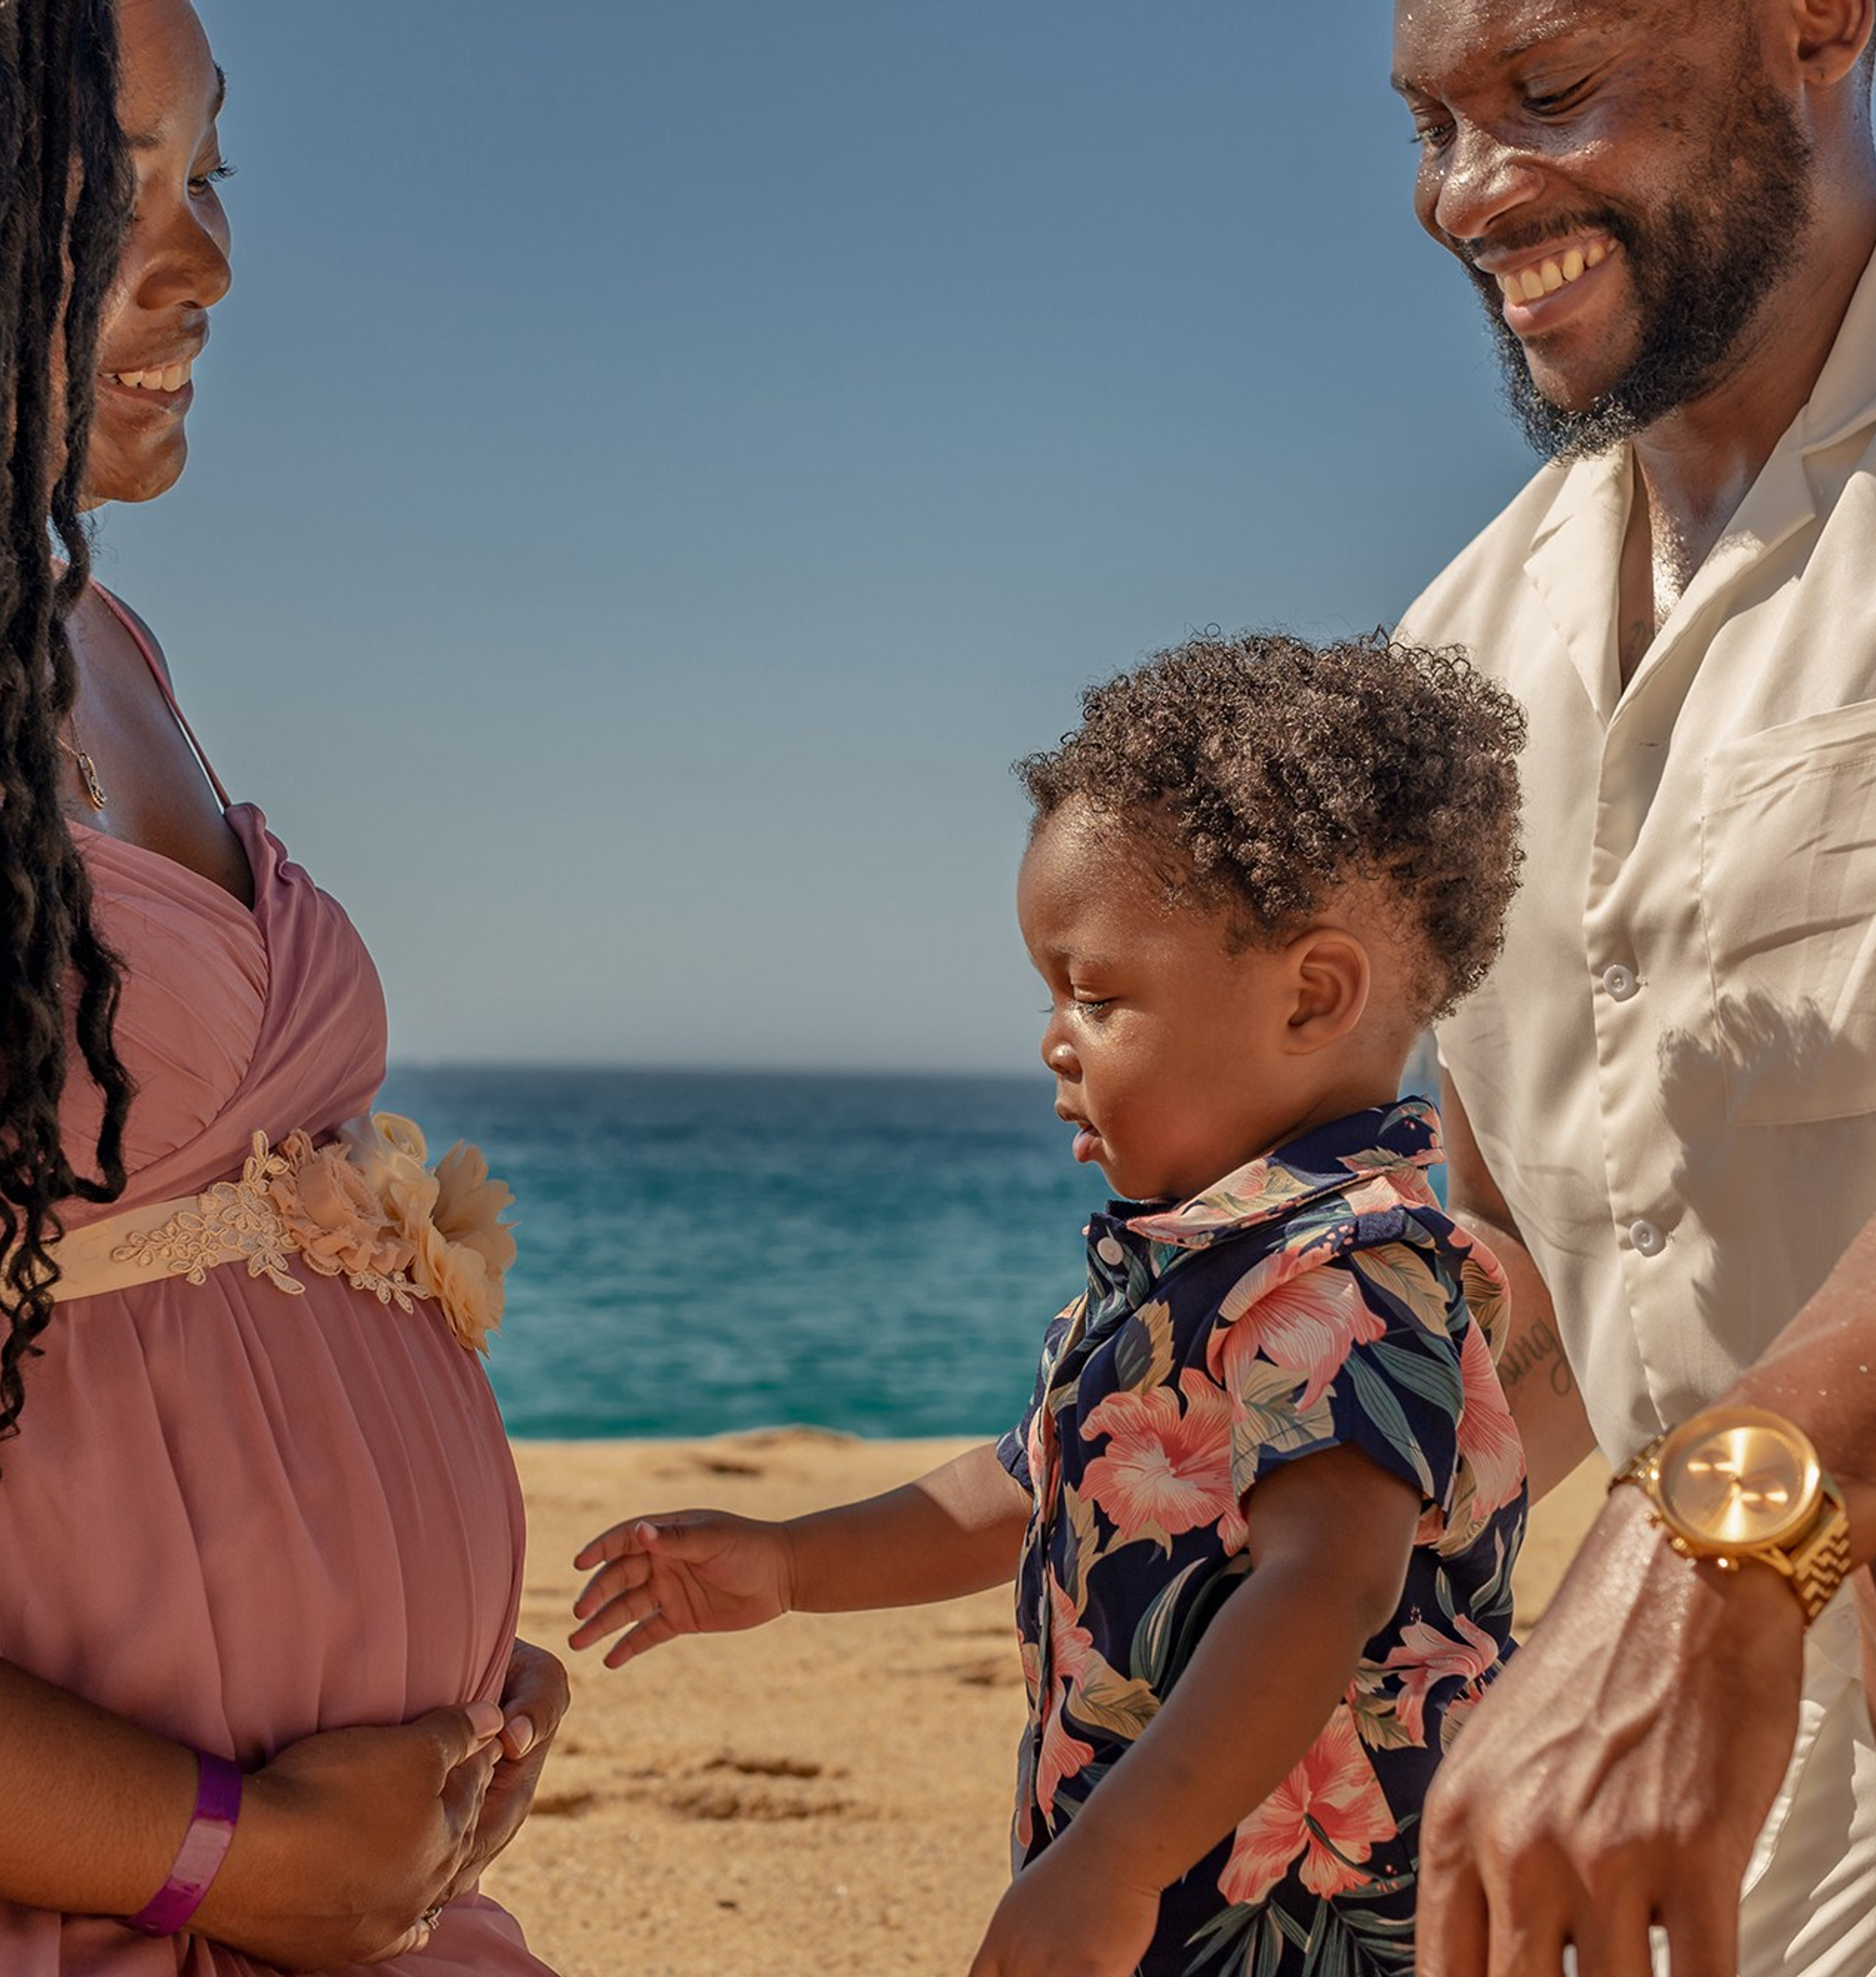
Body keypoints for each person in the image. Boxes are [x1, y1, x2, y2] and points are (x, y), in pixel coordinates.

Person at [0, 2, 566, 1967]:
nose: (201, 257)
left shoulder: (91, 634)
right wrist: (233, 1849)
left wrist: (425, 1650)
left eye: (208, 172)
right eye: (104, 187)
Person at [571, 633, 1531, 1977]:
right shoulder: (1198, 1263)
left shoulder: (1348, 1275)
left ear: (1313, 996)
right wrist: (792, 1566)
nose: (1053, 1039)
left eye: (1097, 994)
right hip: (1158, 1886)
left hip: (1303, 1924)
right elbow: (1026, 1484)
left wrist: (1119, 1858)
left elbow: (1324, 1587)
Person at [1389, 0, 1876, 1969]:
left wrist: (1718, 1531)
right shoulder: (1451, 652)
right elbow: (1539, 1258)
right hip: (1700, 1807)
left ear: (1812, 24)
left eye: (1547, 91)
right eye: (1429, 124)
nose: (1466, 194)